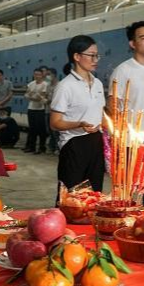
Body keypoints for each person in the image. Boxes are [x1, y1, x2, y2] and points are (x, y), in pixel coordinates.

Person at [108, 21, 144, 203]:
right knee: (129, 192)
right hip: (130, 143)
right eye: (143, 38)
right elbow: (112, 106)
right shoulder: (123, 70)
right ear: (132, 44)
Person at [50, 35, 105, 200]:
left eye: (97, 55)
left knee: (94, 197)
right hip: (74, 146)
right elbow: (54, 123)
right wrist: (79, 124)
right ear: (77, 56)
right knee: (70, 199)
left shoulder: (98, 84)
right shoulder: (65, 86)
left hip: (96, 143)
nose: (95, 60)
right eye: (91, 55)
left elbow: (100, 114)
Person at [23, 68, 49, 154]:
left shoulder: (45, 84)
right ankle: (32, 147)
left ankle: (42, 148)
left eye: (39, 74)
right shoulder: (31, 84)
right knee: (32, 129)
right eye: (35, 74)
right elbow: (26, 95)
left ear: (42, 75)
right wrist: (31, 96)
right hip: (31, 108)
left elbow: (41, 97)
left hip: (40, 109)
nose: (37, 76)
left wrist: (32, 96)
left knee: (41, 129)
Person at [45, 68, 60, 154]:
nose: (47, 76)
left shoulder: (59, 85)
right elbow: (47, 96)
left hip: (56, 111)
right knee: (49, 130)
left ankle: (58, 148)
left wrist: (49, 100)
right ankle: (52, 147)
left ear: (54, 75)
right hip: (48, 110)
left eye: (48, 74)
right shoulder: (48, 86)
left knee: (56, 131)